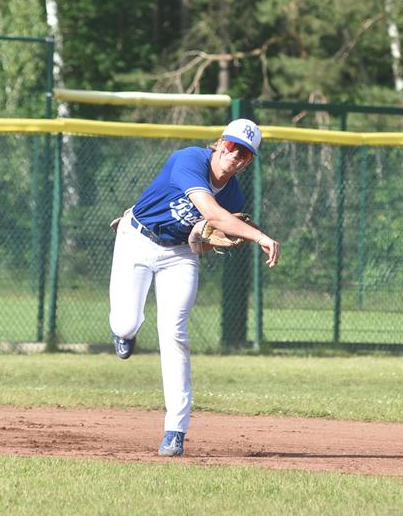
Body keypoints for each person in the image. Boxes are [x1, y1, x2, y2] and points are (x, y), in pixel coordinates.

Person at [108, 118, 280, 457]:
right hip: (136, 239)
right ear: (219, 143)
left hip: (179, 254)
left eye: (244, 154)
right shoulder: (188, 159)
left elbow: (207, 236)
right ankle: (126, 333)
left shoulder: (234, 193)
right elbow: (211, 213)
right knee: (126, 322)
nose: (235, 156)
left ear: (247, 162)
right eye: (231, 146)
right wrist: (259, 236)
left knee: (174, 333)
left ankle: (176, 431)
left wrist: (206, 241)